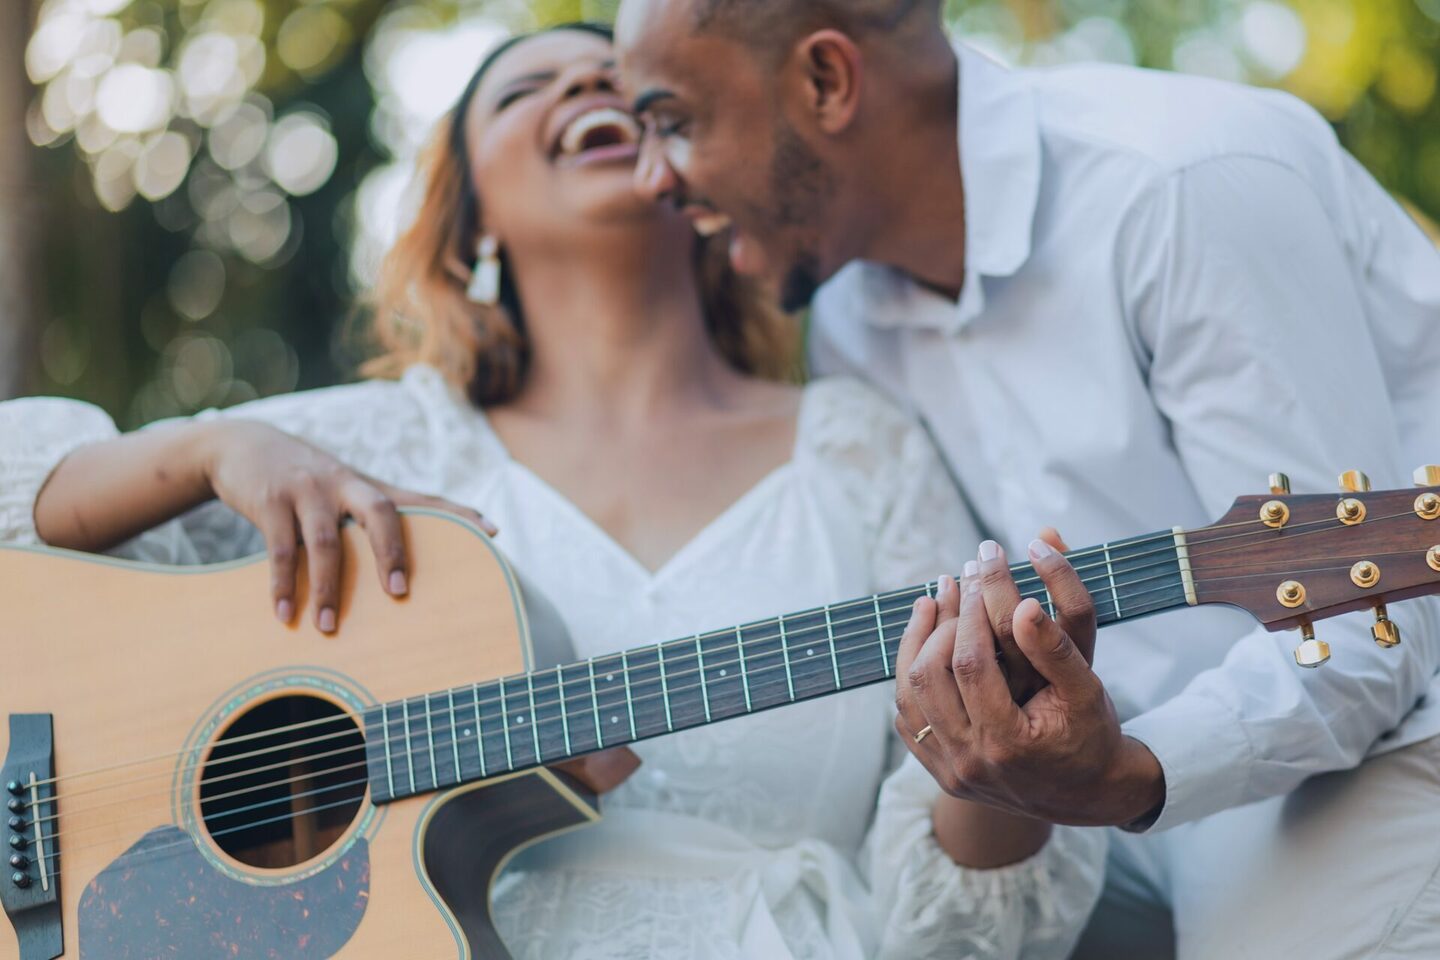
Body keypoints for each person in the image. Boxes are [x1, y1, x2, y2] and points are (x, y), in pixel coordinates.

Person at [0, 23, 1107, 960]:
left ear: (696, 161)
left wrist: (1003, 769)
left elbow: (963, 925)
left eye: (632, 88)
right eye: (530, 89)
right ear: (471, 217)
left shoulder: (863, 448)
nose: (588, 86)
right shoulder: (377, 442)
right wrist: (212, 449)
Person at [613, 0, 1440, 956]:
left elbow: (1363, 635)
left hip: (1394, 731)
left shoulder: (1174, 182)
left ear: (826, 82)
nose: (650, 179)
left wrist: (1119, 776)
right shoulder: (847, 322)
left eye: (674, 121)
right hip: (1133, 797)